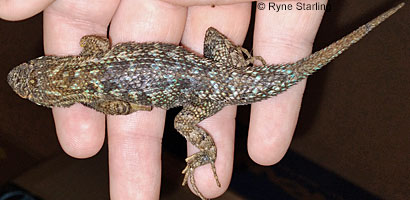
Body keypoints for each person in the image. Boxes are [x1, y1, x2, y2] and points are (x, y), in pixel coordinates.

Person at [0, 0, 327, 199]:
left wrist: (102, 103)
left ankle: (207, 151)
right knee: (212, 36)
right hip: (215, 76)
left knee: (183, 120)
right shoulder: (92, 56)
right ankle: (240, 66)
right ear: (47, 62)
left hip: (211, 88)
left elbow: (125, 107)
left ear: (55, 100)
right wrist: (85, 48)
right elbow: (96, 41)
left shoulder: (98, 99)